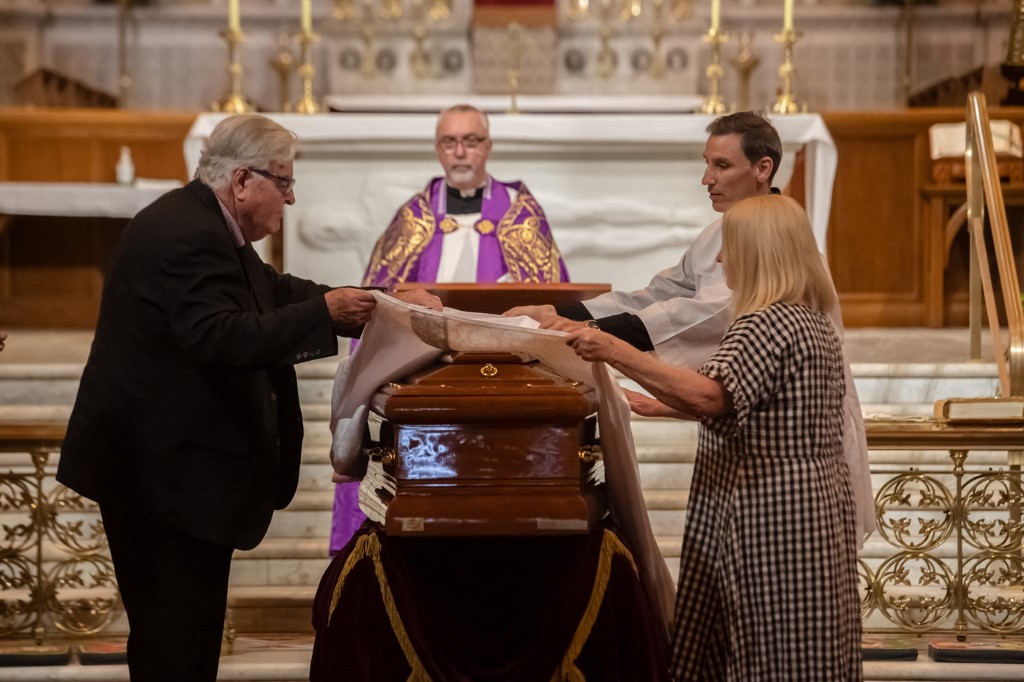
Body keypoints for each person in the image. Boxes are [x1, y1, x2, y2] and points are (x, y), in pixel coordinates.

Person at [57, 114, 440, 682]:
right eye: (282, 182)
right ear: (242, 182)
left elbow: (272, 293)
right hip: (159, 478)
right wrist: (326, 314)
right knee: (176, 646)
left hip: (165, 472)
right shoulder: (189, 235)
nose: (290, 197)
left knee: (179, 640)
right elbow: (221, 337)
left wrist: (378, 303)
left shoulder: (205, 224)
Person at [506, 110, 876, 544]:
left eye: (721, 165)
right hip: (748, 449)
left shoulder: (779, 239)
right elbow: (655, 296)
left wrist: (602, 340)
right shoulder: (719, 233)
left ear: (763, 168)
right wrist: (564, 311)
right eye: (706, 163)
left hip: (791, 464)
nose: (706, 178)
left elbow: (707, 315)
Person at [566, 194, 863, 680]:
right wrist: (655, 405)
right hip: (806, 509)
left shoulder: (768, 322)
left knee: (771, 656)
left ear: (760, 251)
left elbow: (710, 396)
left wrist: (613, 349)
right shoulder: (807, 319)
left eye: (731, 247)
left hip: (773, 519)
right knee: (806, 651)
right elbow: (766, 409)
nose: (722, 258)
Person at [329, 102, 571, 554]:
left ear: (488, 147)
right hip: (423, 379)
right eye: (450, 141)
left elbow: (545, 301)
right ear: (438, 149)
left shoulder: (521, 215)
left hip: (501, 369)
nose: (461, 152)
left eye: (471, 141)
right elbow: (379, 301)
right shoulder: (412, 218)